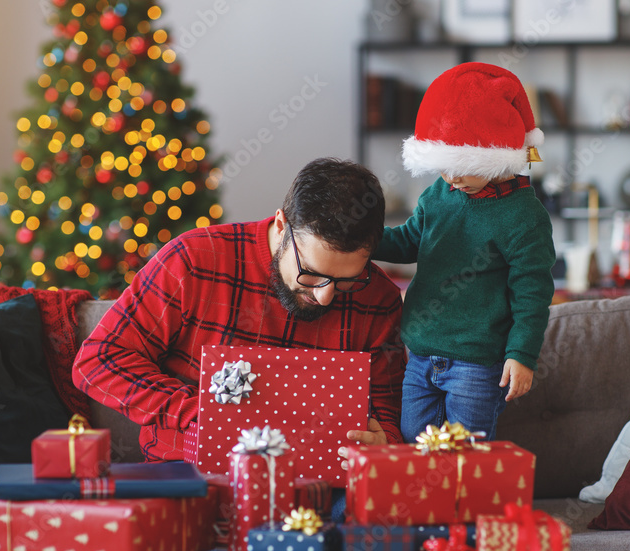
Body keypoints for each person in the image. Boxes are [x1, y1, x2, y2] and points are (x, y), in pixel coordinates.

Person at [73, 155, 405, 471]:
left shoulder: (379, 298)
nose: (325, 295)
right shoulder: (193, 261)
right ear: (281, 225)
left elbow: (386, 410)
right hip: (190, 476)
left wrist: (382, 441)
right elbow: (98, 361)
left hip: (319, 488)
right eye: (313, 273)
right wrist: (198, 410)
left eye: (346, 282)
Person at [373, 62, 557, 443]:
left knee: (466, 455)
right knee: (413, 444)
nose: (451, 178)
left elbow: (532, 293)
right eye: (443, 167)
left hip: (477, 364)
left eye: (462, 167)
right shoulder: (439, 195)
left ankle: (466, 507)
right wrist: (363, 239)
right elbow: (409, 240)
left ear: (493, 155)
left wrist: (522, 355)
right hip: (420, 352)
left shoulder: (524, 216)